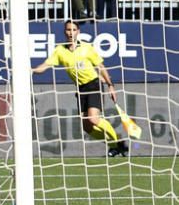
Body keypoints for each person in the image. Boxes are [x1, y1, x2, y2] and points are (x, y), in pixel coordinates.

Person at [32, 20, 129, 157]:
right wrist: (31, 70)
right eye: (68, 30)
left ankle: (117, 142)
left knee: (93, 119)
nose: (71, 33)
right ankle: (116, 145)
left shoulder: (87, 48)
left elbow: (101, 67)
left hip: (94, 84)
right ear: (65, 32)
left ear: (78, 32)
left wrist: (110, 86)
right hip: (80, 88)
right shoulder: (60, 50)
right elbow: (44, 66)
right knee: (87, 127)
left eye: (73, 30)